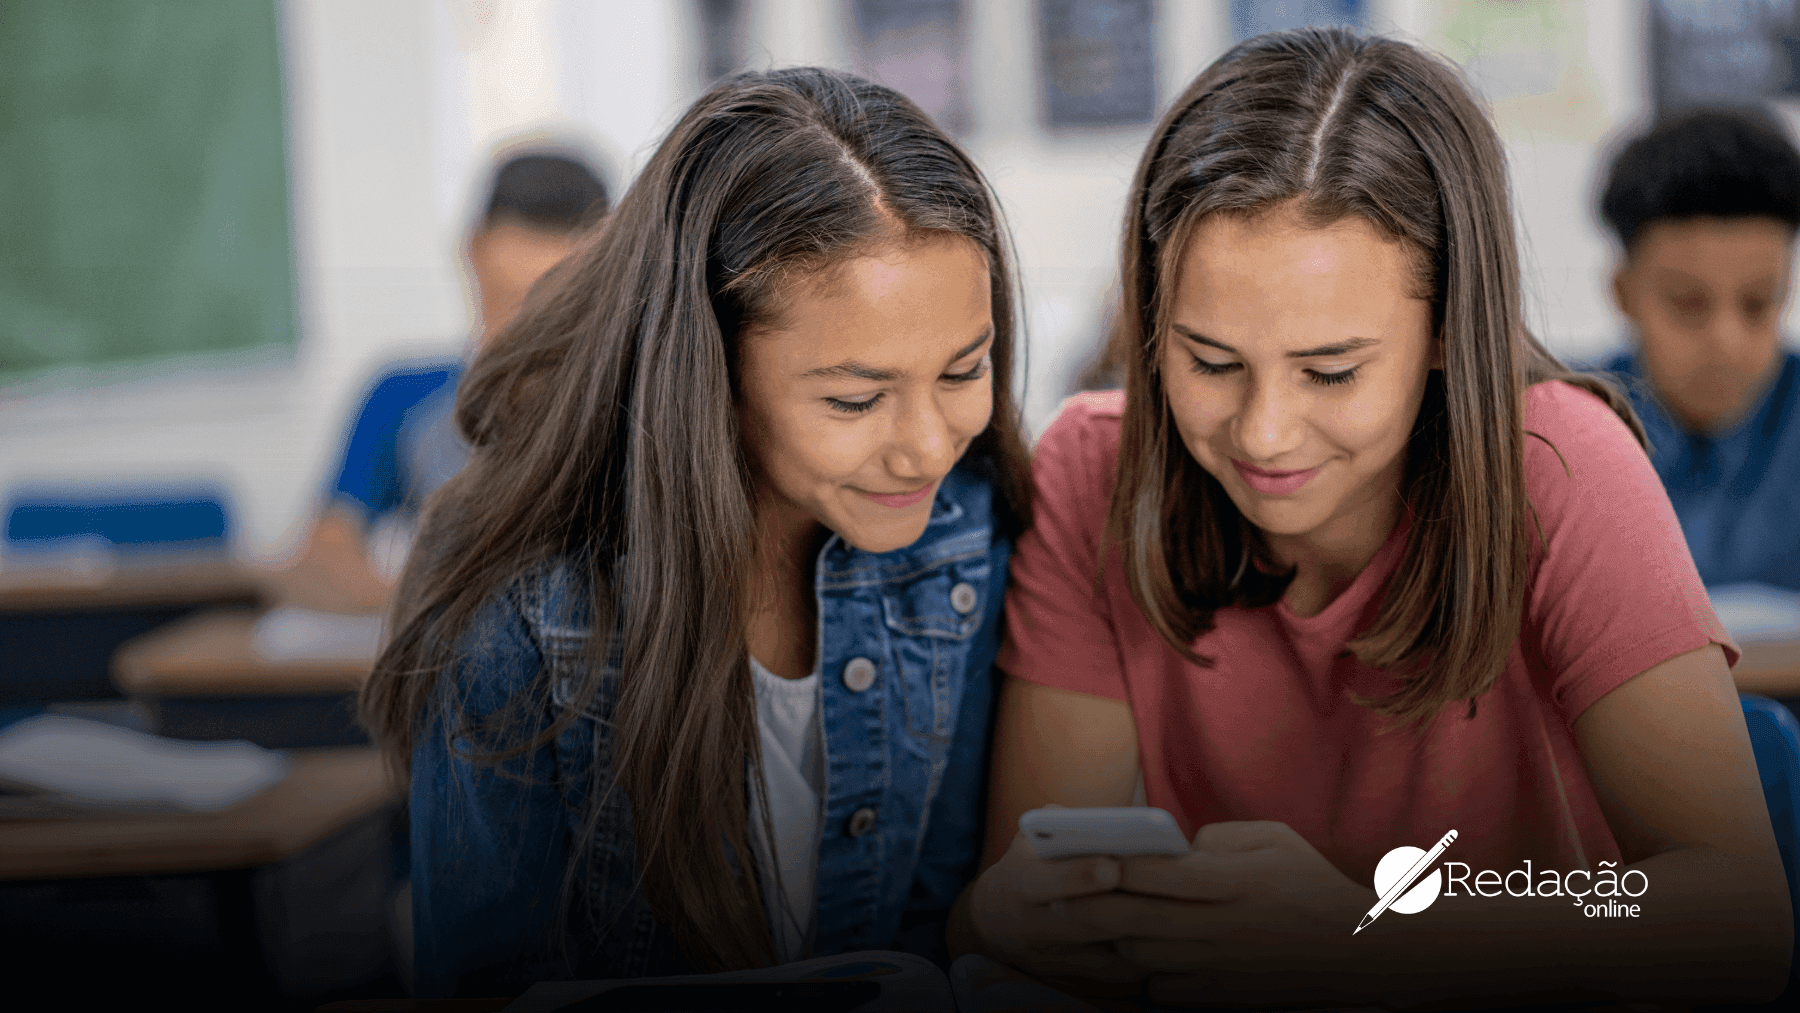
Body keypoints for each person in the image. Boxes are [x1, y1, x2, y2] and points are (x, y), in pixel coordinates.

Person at [952, 28, 1791, 1008]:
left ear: (1444, 332)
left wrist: (1371, 927)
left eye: (1333, 370)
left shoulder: (1560, 461)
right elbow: (1011, 897)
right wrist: (1024, 915)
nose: (1264, 432)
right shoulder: (1095, 465)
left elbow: (1738, 916)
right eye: (1209, 361)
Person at [360, 67, 1032, 997]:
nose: (926, 449)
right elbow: (491, 987)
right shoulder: (518, 598)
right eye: (855, 396)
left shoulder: (963, 530)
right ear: (707, 366)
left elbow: (936, 926)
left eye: (965, 369)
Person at [281, 151, 609, 614]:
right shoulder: (405, 400)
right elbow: (315, 563)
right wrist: (445, 613)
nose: (522, 335)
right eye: (505, 301)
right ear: (473, 251)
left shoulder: (631, 402)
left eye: (552, 306)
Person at [1599, 108, 1800, 591]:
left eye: (1757, 304)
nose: (1725, 340)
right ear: (1623, 293)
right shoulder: (1552, 435)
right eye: (1688, 304)